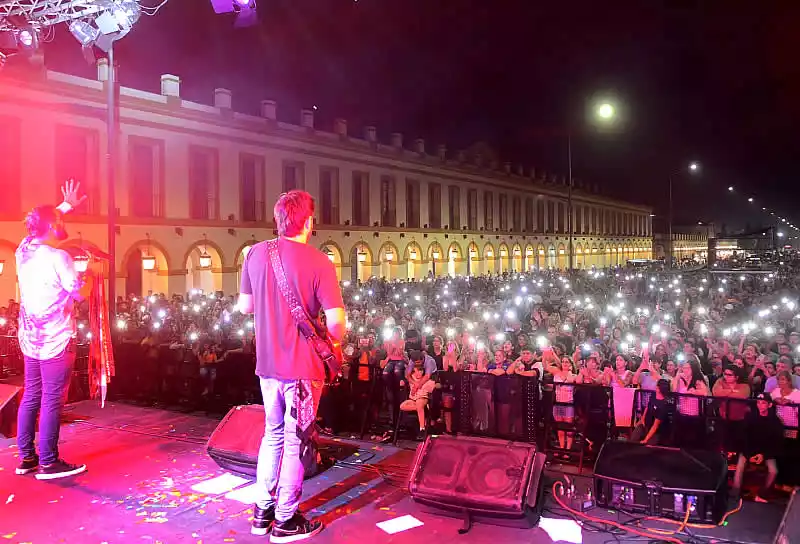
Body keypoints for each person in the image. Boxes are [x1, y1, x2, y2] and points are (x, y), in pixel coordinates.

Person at [238, 190, 346, 542]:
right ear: (309, 222)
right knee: (297, 440)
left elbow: (244, 308)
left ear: (278, 219)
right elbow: (336, 326)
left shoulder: (254, 253)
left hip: (267, 364)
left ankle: (261, 513)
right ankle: (285, 520)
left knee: (272, 435)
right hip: (302, 367)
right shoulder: (319, 262)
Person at [15, 180, 89, 480]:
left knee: (31, 394)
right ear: (51, 226)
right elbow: (79, 293)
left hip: (30, 338)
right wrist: (89, 272)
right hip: (56, 339)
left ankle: (27, 458)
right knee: (51, 399)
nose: (63, 223)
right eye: (59, 220)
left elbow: (39, 224)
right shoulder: (60, 258)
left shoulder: (24, 250)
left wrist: (65, 206)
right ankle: (49, 461)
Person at [732, 393, 784, 502]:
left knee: (773, 471)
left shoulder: (775, 421)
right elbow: (743, 437)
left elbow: (776, 442)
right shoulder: (750, 417)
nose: (760, 405)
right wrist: (749, 454)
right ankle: (735, 494)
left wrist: (763, 455)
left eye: (763, 403)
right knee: (739, 467)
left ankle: (762, 494)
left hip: (766, 452)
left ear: (769, 405)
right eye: (759, 403)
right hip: (749, 450)